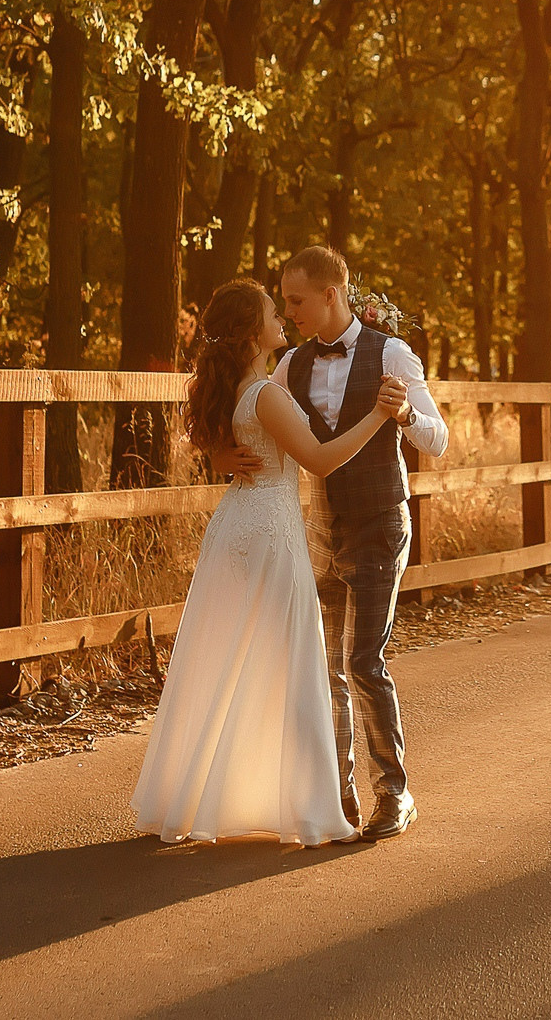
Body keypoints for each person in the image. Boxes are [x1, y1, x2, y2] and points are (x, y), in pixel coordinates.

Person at [128, 277, 401, 847]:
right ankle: (305, 806)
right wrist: (379, 415)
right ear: (253, 330)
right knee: (292, 660)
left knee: (231, 654)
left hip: (236, 525)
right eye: (273, 312)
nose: (283, 318)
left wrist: (219, 455)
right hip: (273, 533)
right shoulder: (265, 394)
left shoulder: (235, 387)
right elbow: (320, 460)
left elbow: (216, 440)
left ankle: (209, 793)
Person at [211, 244, 446, 841]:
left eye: (296, 301)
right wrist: (219, 453)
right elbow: (243, 408)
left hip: (379, 521)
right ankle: (337, 796)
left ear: (330, 294)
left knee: (363, 661)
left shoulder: (391, 353)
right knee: (326, 668)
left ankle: (394, 793)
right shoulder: (290, 364)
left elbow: (439, 440)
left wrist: (402, 416)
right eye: (284, 304)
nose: (288, 312)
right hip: (316, 528)